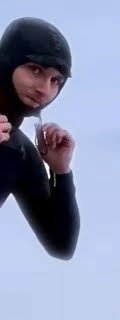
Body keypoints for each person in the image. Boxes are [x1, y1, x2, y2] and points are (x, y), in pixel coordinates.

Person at [0, 16, 79, 259]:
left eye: (56, 80)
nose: (45, 90)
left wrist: (60, 172)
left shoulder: (19, 152)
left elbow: (61, 245)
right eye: (35, 70)